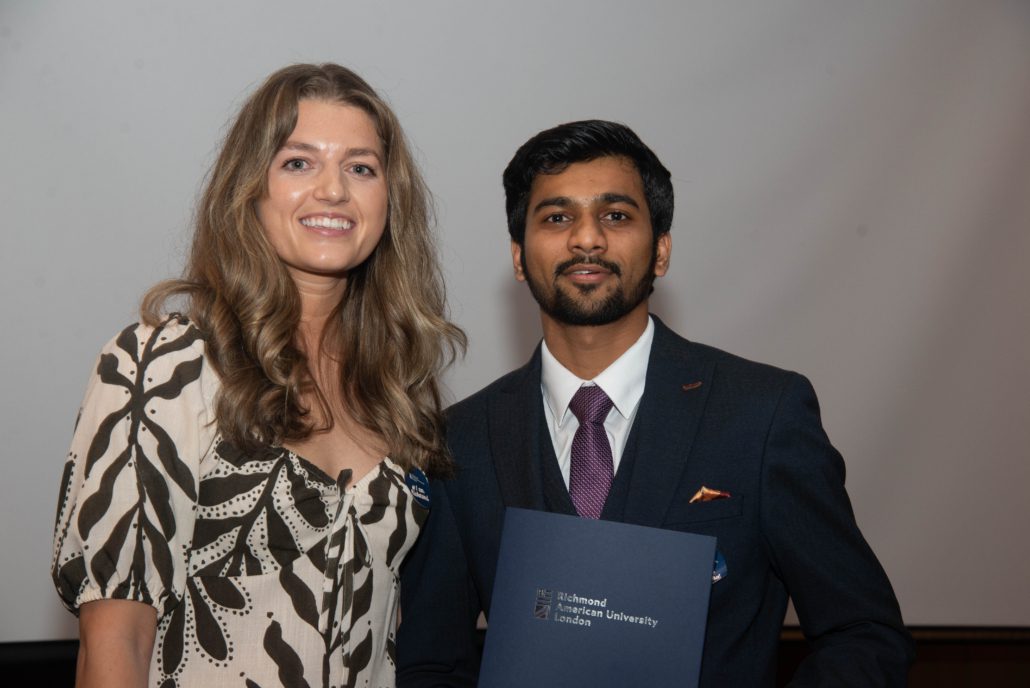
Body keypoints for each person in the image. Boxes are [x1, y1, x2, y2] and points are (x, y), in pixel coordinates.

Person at [396, 120, 913, 686]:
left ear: (661, 250)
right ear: (519, 257)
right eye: (557, 217)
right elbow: (432, 663)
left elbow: (863, 632)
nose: (587, 238)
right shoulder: (459, 441)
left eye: (616, 216)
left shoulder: (760, 415)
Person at [51, 63, 464, 688]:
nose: (333, 190)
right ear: (251, 189)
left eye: (361, 167)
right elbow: (117, 644)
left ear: (389, 200)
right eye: (298, 162)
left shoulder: (396, 394)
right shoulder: (160, 366)